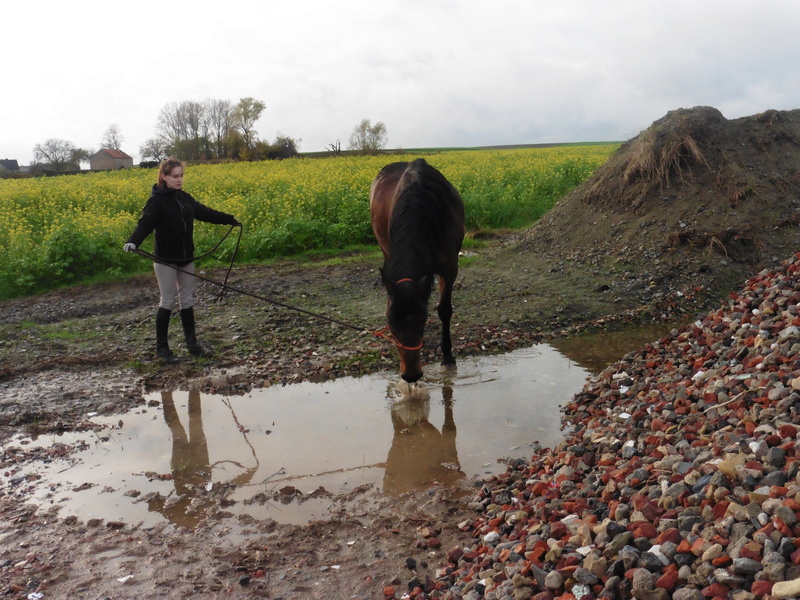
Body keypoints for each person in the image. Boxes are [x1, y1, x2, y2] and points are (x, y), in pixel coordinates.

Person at [123, 157, 240, 363]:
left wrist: (229, 219)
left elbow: (205, 213)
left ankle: (192, 345)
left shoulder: (185, 198)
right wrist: (133, 241)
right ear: (164, 176)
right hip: (165, 259)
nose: (179, 180)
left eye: (181, 176)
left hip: (187, 257)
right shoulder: (156, 201)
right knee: (167, 301)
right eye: (175, 176)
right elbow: (145, 223)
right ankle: (162, 350)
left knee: (187, 300)